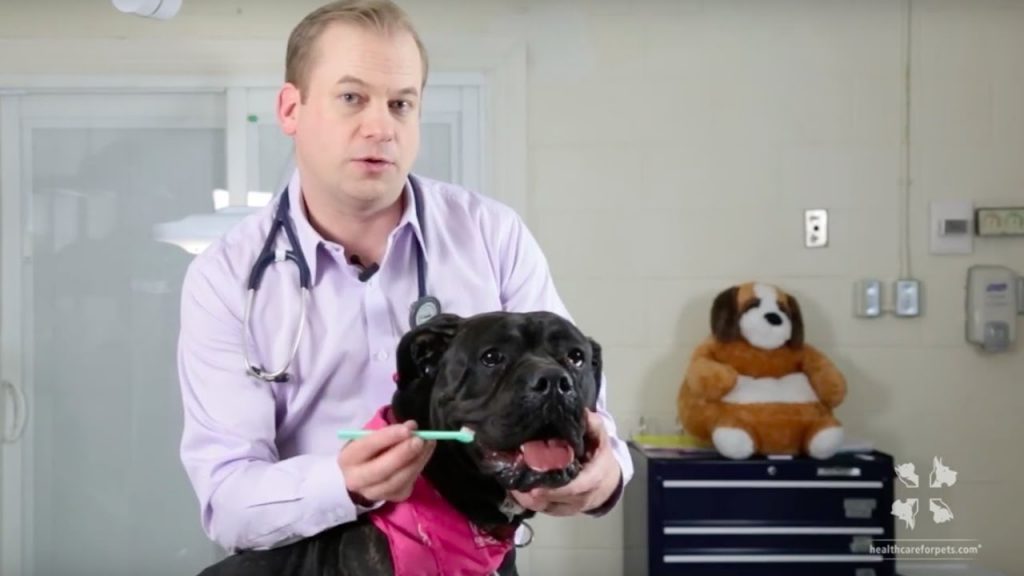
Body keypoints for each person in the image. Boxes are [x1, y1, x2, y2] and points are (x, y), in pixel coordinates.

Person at [177, 0, 634, 568]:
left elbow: (592, 422)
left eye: (400, 103)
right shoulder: (224, 276)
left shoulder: (492, 236)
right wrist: (342, 484)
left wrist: (606, 472)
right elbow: (227, 500)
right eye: (352, 98)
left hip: (469, 556)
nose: (380, 126)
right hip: (303, 561)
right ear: (291, 108)